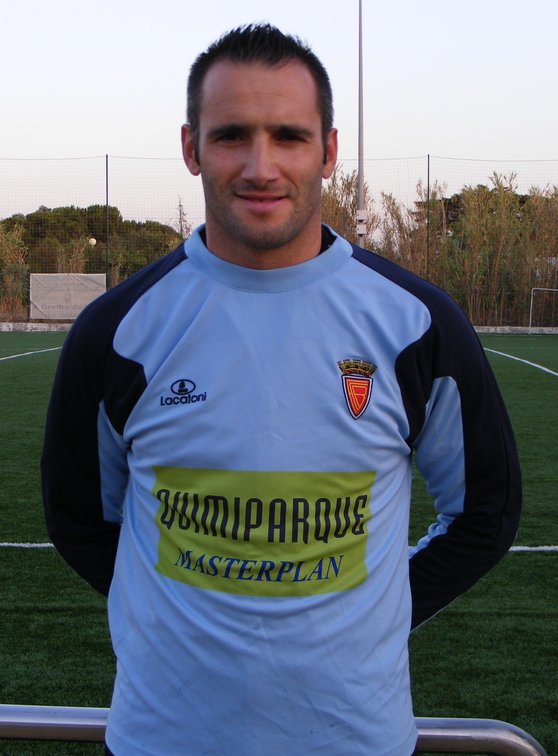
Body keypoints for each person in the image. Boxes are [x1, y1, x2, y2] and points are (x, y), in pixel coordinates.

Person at [42, 23, 521, 756]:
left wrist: (375, 616)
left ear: (328, 151)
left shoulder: (416, 324)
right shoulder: (117, 330)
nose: (260, 166)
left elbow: (486, 513)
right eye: (232, 135)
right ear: (191, 148)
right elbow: (79, 519)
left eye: (289, 137)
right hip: (162, 739)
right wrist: (179, 614)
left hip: (356, 740)